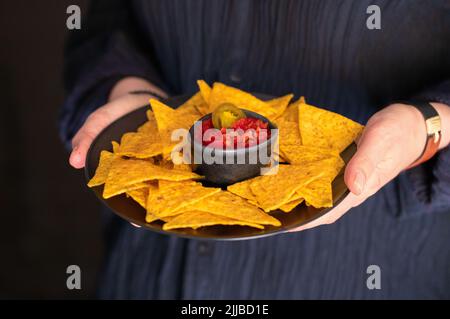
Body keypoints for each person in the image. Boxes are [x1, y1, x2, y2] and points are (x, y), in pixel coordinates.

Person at [60, 0, 450, 299]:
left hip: (360, 263)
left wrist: (429, 124)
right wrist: (132, 93)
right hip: (147, 265)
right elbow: (109, 22)